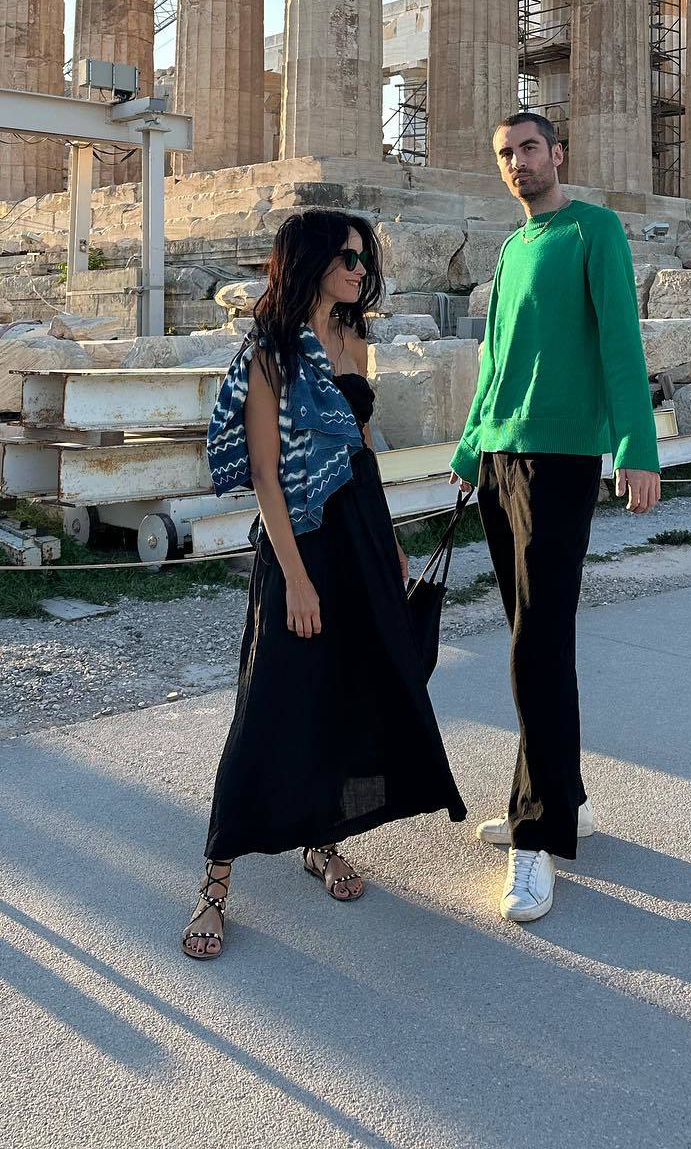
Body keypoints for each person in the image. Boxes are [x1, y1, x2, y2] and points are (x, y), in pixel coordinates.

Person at [184, 208, 465, 960]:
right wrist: (297, 580)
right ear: (309, 262)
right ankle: (215, 881)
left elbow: (361, 448)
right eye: (347, 257)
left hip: (361, 536)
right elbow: (266, 476)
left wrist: (391, 539)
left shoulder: (354, 341)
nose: (359, 270)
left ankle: (323, 840)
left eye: (363, 258)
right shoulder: (270, 351)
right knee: (271, 701)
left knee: (350, 690)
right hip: (301, 542)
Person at [450, 111, 660, 924]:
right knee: (526, 637)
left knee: (538, 643)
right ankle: (562, 794)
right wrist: (470, 447)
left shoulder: (592, 230)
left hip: (562, 457)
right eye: (505, 153)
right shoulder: (512, 248)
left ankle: (537, 834)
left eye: (529, 148)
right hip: (501, 456)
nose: (517, 162)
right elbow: (497, 360)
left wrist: (636, 446)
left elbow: (620, 341)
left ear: (558, 154)